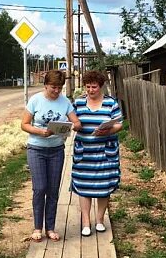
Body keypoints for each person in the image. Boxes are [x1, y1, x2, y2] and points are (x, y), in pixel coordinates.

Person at [21, 70, 81, 242]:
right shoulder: (35, 100)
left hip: (56, 150)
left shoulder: (65, 102)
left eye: (59, 88)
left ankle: (51, 227)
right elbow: (24, 124)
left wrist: (72, 126)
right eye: (53, 87)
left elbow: (76, 122)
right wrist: (40, 131)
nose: (56, 91)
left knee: (53, 190)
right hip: (36, 149)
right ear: (45, 85)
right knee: (40, 188)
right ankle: (37, 227)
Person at [71, 70, 123, 236]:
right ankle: (86, 222)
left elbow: (119, 124)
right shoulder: (78, 103)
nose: (91, 90)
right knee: (83, 185)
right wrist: (74, 125)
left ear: (101, 86)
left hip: (105, 152)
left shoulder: (111, 103)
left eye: (94, 87)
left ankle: (100, 220)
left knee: (104, 186)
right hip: (84, 153)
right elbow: (71, 121)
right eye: (88, 87)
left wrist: (108, 131)